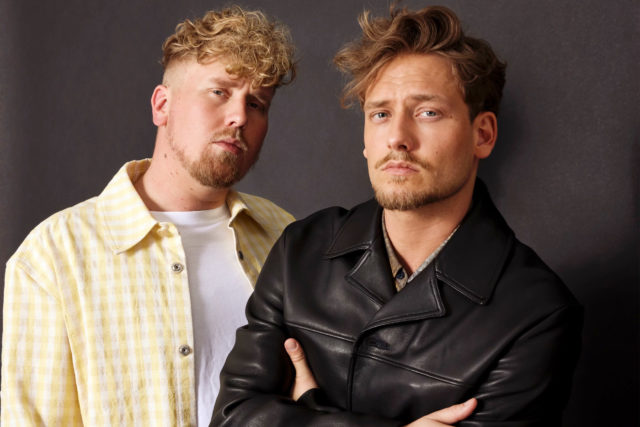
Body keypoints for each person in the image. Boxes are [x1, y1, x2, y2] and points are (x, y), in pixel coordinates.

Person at [213, 5, 582, 426]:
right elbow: (232, 416)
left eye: (427, 113)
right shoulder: (300, 250)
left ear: (482, 135)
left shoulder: (536, 314)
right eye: (381, 114)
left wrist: (308, 412)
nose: (397, 138)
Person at [1, 7, 296, 426]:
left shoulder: (285, 236)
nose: (239, 116)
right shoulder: (53, 256)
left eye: (256, 103)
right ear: (162, 105)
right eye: (219, 92)